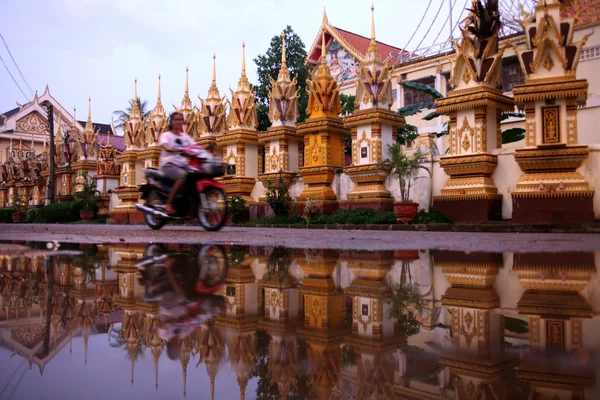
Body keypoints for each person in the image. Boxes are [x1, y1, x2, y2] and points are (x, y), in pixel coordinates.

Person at [159, 112, 195, 215]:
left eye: (181, 119)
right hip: (169, 164)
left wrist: (206, 152)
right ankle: (168, 204)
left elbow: (195, 146)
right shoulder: (166, 135)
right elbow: (165, 145)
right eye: (176, 119)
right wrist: (171, 148)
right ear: (171, 122)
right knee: (182, 176)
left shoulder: (185, 137)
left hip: (183, 165)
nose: (179, 122)